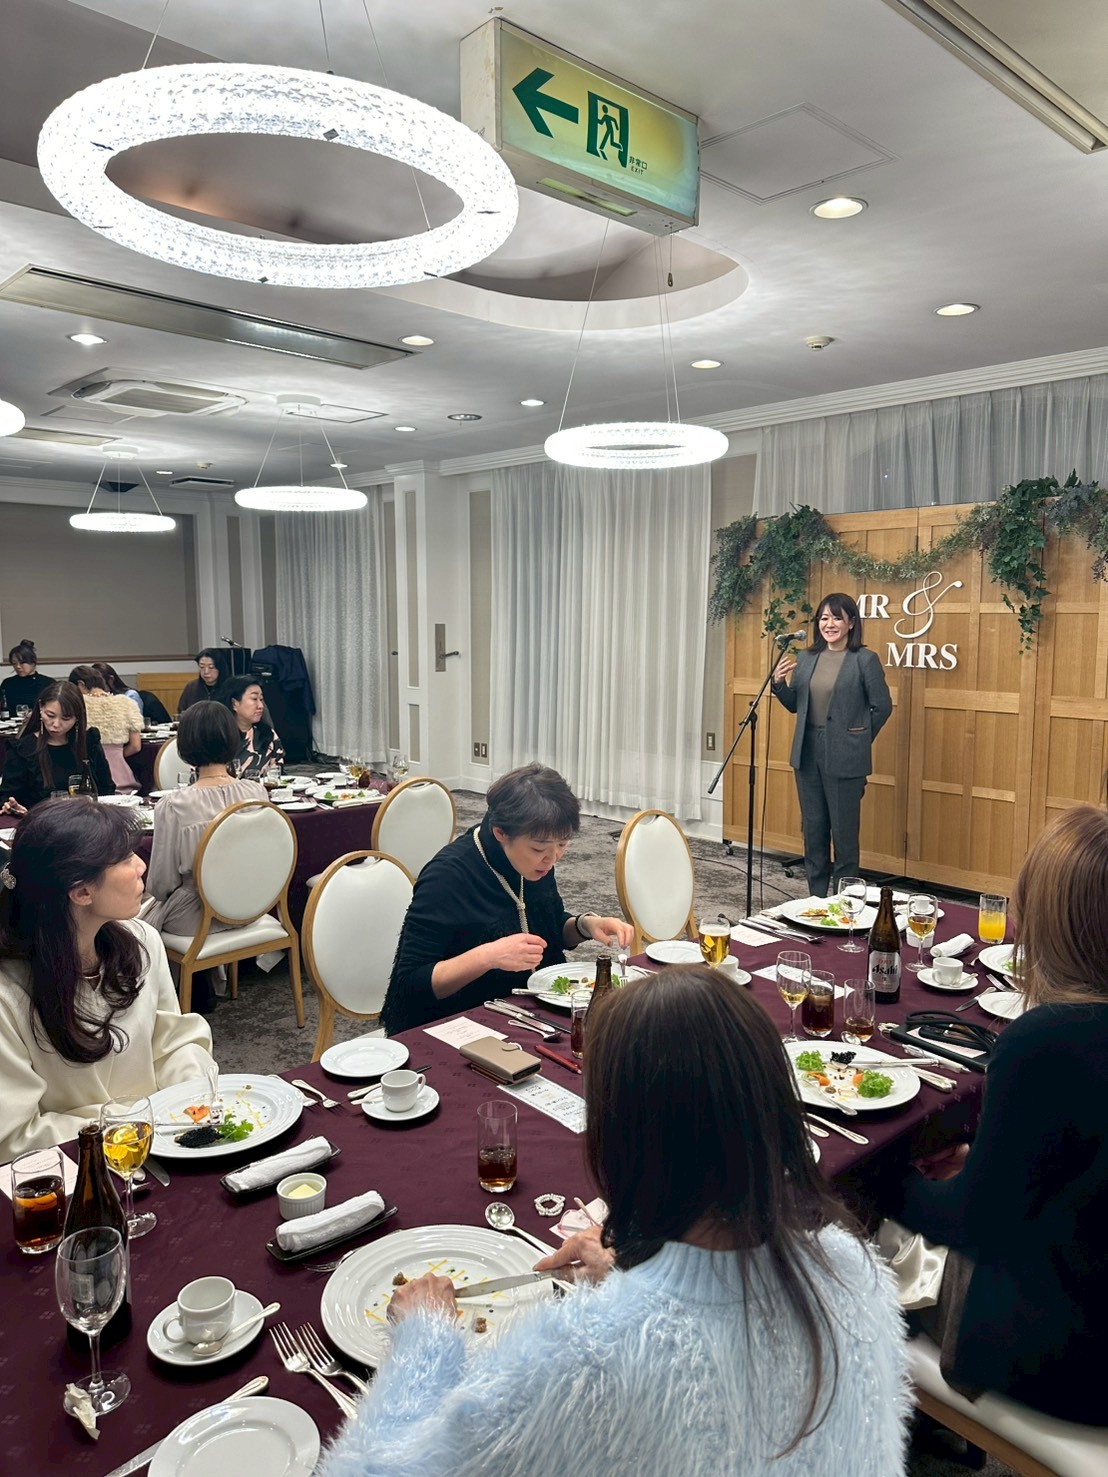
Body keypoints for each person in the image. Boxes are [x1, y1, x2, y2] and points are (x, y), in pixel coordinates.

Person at [319, 968, 910, 1477]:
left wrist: (426, 1340)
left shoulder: (584, 1356)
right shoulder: (849, 1266)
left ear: (624, 1142)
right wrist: (633, 1279)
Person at [890, 804, 1108, 1426]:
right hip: (1089, 1295)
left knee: (847, 1241)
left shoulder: (1044, 1042)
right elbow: (1074, 1169)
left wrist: (881, 1176)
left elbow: (968, 1226)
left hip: (1065, 1360)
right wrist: (983, 1163)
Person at [0, 797, 216, 1161]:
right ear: (82, 891)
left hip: (162, 1147)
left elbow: (173, 1042)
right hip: (76, 1169)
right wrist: (133, 1123)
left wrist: (188, 1101)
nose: (141, 865)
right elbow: (15, 1136)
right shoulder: (9, 992)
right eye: (125, 858)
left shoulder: (141, 942)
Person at [382, 764, 634, 1035]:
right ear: (500, 832)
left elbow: (547, 927)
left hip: (528, 1008)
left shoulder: (536, 862)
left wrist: (585, 925)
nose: (553, 858)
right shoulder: (447, 877)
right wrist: (488, 956)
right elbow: (410, 986)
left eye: (562, 844)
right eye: (538, 848)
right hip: (461, 1021)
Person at [770, 593, 892, 897]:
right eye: (824, 618)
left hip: (845, 754)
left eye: (837, 617)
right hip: (807, 750)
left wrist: (856, 739)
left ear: (851, 623)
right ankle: (816, 899)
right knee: (814, 831)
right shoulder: (807, 658)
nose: (829, 624)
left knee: (844, 834)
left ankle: (845, 902)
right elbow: (795, 705)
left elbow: (882, 706)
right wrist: (778, 684)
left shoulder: (864, 659)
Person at [143, 703, 267, 936]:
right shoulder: (257, 793)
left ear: (185, 744)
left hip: (196, 917)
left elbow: (161, 885)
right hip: (250, 908)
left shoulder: (174, 806)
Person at [0, 682, 114, 815]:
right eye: (50, 715)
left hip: (89, 820)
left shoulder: (89, 742)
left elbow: (107, 789)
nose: (56, 724)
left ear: (78, 717)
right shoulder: (23, 749)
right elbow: (7, 796)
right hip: (39, 821)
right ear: (41, 708)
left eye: (66, 718)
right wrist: (11, 805)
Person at [69, 665, 143, 794]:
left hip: (91, 774)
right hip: (121, 775)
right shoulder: (127, 703)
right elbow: (136, 746)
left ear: (80, 685)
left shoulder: (77, 705)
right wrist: (116, 756)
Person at [218, 674, 284, 781]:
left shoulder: (267, 734)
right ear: (234, 703)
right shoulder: (218, 736)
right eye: (254, 699)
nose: (260, 706)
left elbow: (278, 776)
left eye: (261, 699)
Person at [0, 639, 53, 715]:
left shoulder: (48, 683)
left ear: (33, 662)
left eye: (22, 663)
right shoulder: (7, 683)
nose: (18, 666)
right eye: (14, 663)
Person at [177, 648, 231, 714]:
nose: (206, 672)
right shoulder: (191, 687)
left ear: (220, 668)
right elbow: (182, 711)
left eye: (211, 667)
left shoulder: (230, 687)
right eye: (202, 667)